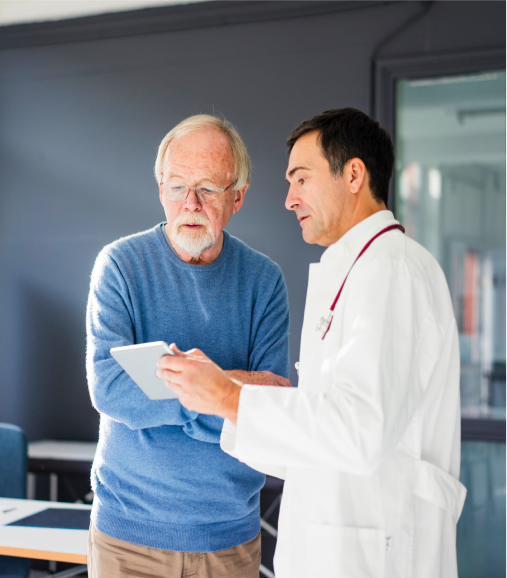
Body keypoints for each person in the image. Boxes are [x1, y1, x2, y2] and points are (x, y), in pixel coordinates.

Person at [157, 108, 467, 578]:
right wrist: (223, 405)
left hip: (375, 550)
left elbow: (359, 430)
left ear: (354, 175)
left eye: (300, 179)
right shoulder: (357, 269)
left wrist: (229, 396)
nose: (288, 199)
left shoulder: (392, 269)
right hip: (335, 543)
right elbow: (322, 435)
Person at [86, 114, 291, 578]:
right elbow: (110, 389)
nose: (190, 203)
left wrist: (176, 385)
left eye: (207, 188)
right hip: (128, 539)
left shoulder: (264, 281)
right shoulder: (119, 266)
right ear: (161, 189)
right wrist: (219, 393)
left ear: (236, 196)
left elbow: (275, 398)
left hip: (231, 540)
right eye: (177, 186)